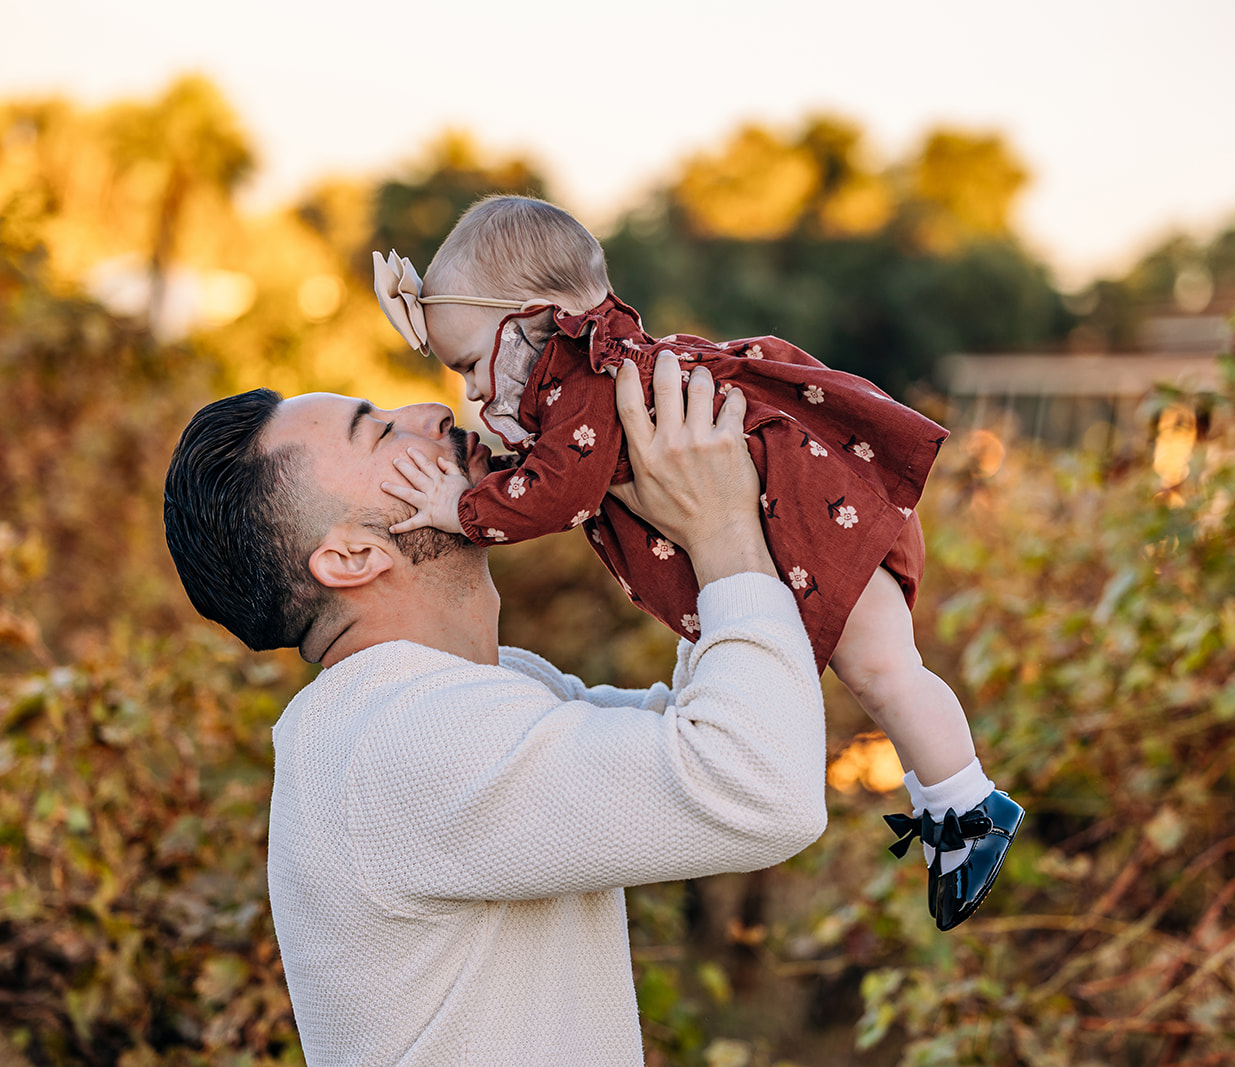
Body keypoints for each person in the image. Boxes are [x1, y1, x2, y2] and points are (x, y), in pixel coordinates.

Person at [372, 195, 1021, 930]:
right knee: (874, 673)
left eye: (468, 363)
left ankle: (967, 804)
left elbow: (558, 493)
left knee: (883, 670)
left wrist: (464, 510)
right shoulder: (568, 388)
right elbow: (537, 464)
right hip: (801, 528)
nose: (472, 391)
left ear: (535, 317)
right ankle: (952, 805)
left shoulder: (588, 380)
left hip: (820, 525)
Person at [163, 353, 828, 1065]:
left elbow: (717, 723)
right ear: (353, 555)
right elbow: (761, 784)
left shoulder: (458, 696)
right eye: (381, 433)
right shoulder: (410, 738)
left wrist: (652, 505)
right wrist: (721, 527)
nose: (430, 414)